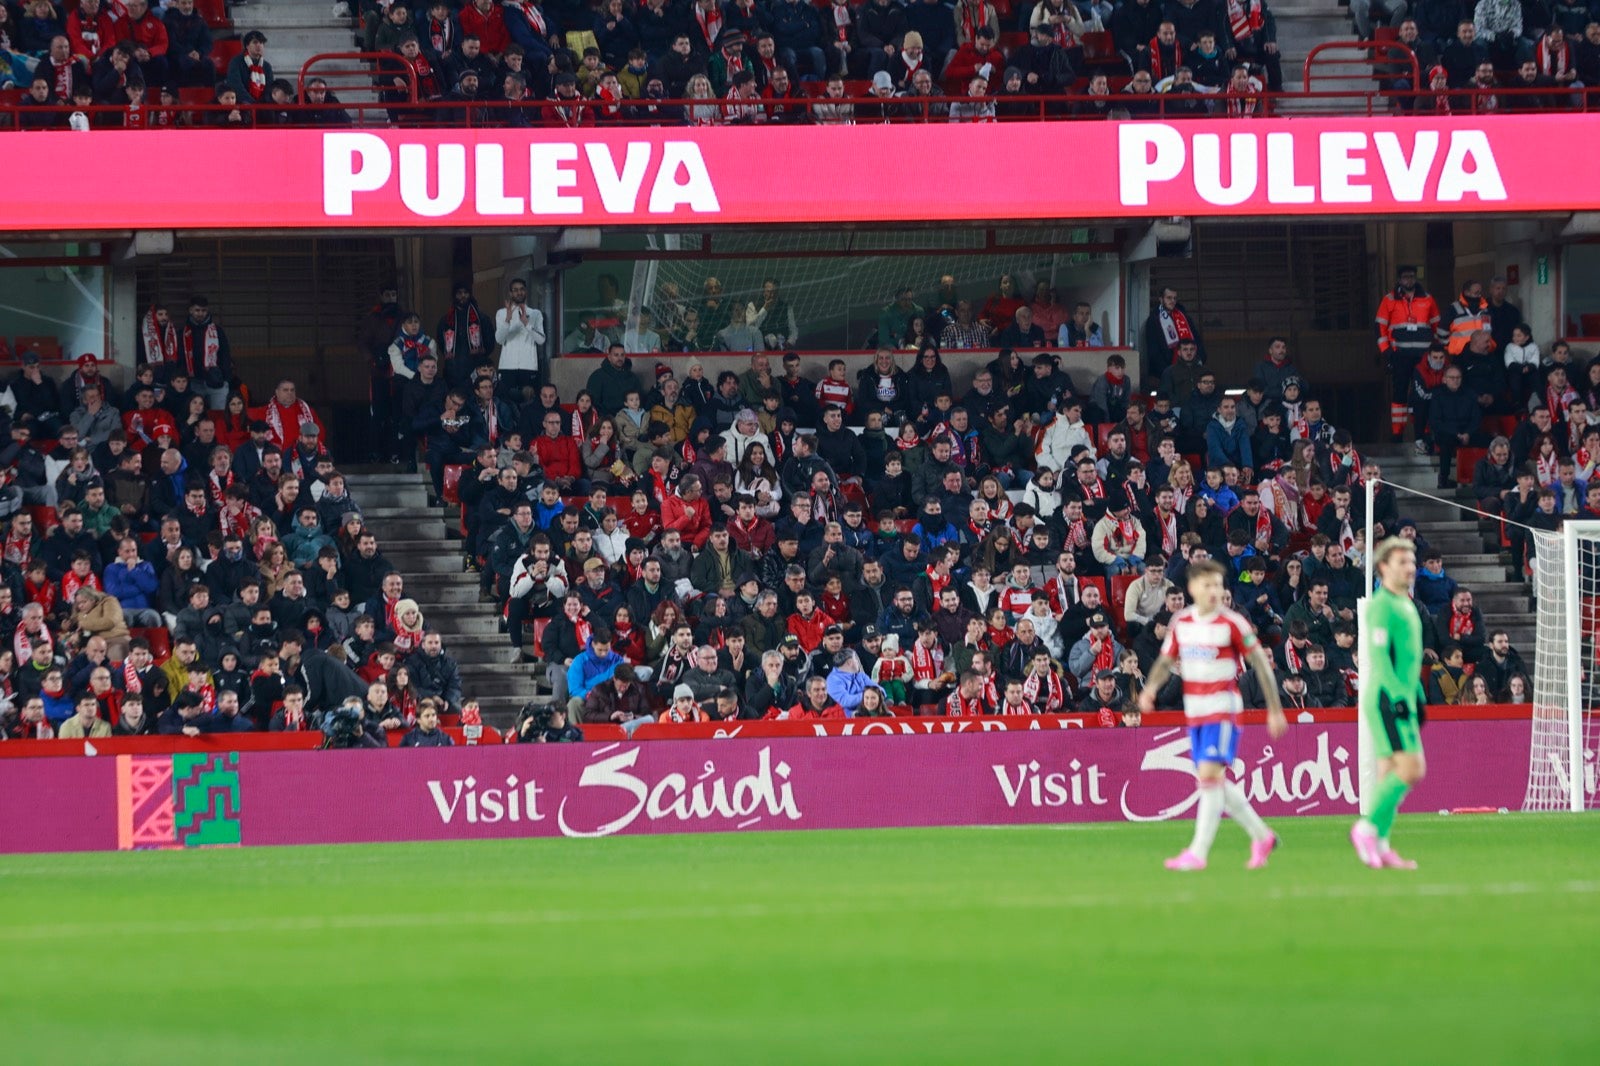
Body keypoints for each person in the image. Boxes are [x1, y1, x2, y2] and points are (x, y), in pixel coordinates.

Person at [1136, 559, 1286, 871]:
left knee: (1208, 778)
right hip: (1196, 712)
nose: (1215, 591)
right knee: (1213, 781)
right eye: (1208, 585)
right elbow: (1166, 661)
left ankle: (1198, 853)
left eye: (1218, 584)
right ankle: (1262, 835)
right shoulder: (1183, 622)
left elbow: (1260, 663)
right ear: (1192, 588)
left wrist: (1274, 708)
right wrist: (1150, 689)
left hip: (1223, 709)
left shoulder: (1233, 623)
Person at [1351, 537, 1429, 870]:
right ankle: (1365, 829)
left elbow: (1408, 659)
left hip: (1399, 695)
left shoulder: (1405, 602)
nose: (1410, 567)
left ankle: (1381, 845)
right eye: (1402, 562)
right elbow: (1380, 657)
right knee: (1412, 769)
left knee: (1387, 775)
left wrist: (1419, 696)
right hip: (1386, 697)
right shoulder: (1382, 605)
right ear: (1383, 567)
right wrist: (1400, 698)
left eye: (1411, 561)